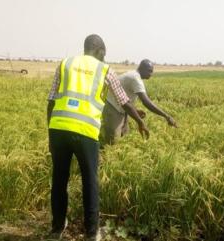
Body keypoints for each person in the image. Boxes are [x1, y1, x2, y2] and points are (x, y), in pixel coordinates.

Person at [46, 34, 149, 241]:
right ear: (100, 51)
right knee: (90, 182)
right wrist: (140, 121)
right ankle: (92, 233)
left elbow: (51, 100)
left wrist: (51, 135)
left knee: (59, 179)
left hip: (59, 129)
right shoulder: (104, 69)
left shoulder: (65, 64)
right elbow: (124, 101)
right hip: (86, 131)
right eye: (105, 53)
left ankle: (57, 229)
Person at [102, 59, 177, 144]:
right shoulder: (136, 79)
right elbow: (146, 102)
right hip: (113, 108)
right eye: (149, 71)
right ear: (142, 69)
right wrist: (166, 116)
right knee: (113, 141)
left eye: (152, 71)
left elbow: (125, 97)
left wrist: (135, 110)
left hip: (123, 108)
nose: (151, 74)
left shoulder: (134, 75)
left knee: (124, 137)